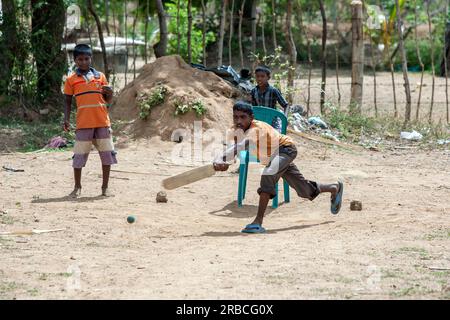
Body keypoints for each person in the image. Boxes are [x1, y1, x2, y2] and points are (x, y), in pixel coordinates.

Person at [213, 101, 343, 233]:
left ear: (251, 118)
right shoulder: (235, 130)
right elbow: (233, 148)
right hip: (273, 158)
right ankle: (334, 188)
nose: (238, 120)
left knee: (268, 174)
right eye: (235, 117)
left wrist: (220, 159)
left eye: (242, 117)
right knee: (304, 191)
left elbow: (241, 146)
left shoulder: (256, 128)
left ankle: (258, 222)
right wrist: (225, 162)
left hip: (285, 149)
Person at [63, 44, 117, 198]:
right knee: (79, 156)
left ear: (91, 59)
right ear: (75, 61)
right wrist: (66, 118)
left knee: (107, 155)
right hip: (83, 123)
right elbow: (67, 101)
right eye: (80, 59)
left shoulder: (100, 76)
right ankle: (77, 187)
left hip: (102, 122)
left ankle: (105, 188)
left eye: (87, 59)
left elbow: (107, 100)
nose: (84, 62)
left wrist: (110, 93)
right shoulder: (71, 79)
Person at [250, 66, 289, 132]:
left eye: (262, 76)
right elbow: (254, 108)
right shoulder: (253, 91)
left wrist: (285, 119)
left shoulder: (273, 91)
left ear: (268, 78)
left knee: (276, 137)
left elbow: (286, 105)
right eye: (257, 76)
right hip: (259, 121)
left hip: (272, 121)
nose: (259, 79)